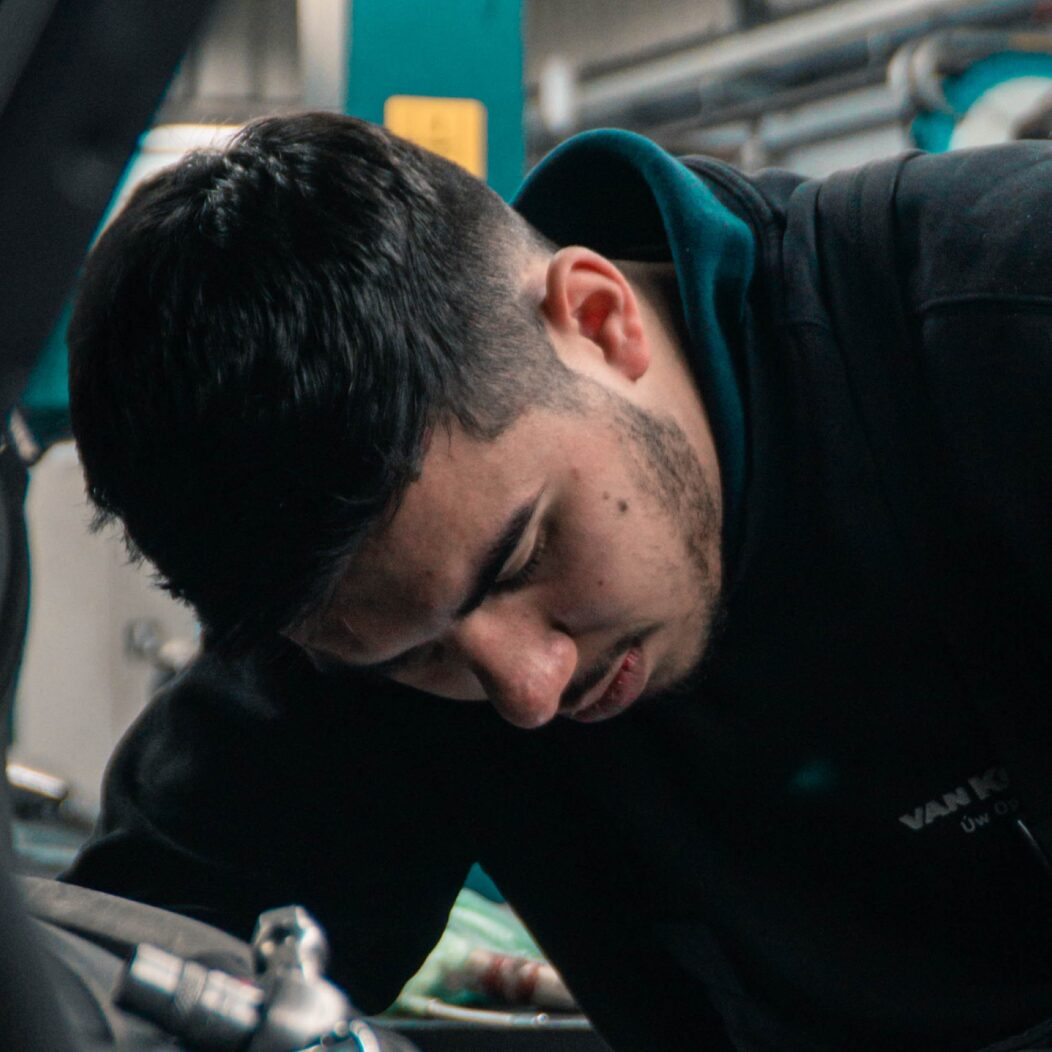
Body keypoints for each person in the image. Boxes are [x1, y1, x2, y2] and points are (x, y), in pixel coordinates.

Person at [62, 112, 1052, 1051]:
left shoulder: (1009, 320)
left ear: (598, 319)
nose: (529, 691)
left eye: (522, 558)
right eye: (419, 656)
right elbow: (139, 967)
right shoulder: (359, 616)